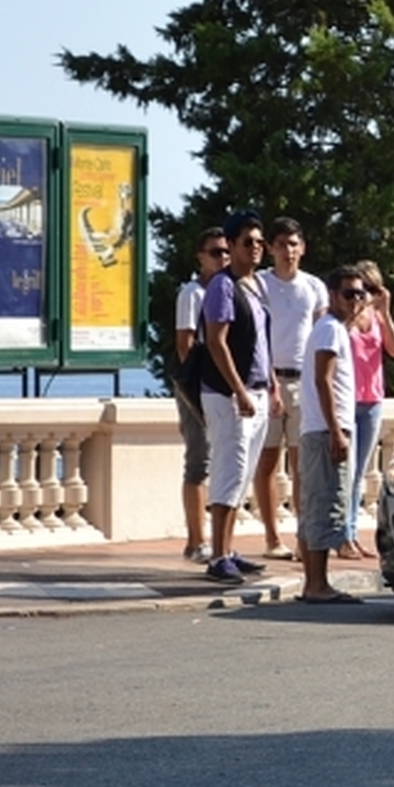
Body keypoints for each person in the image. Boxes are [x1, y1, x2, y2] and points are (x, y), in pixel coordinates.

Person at [189, 212, 276, 584]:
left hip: (257, 391)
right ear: (232, 246)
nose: (255, 248)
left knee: (243, 472)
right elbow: (216, 341)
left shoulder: (255, 285)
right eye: (247, 242)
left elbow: (261, 339)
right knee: (230, 469)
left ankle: (229, 548)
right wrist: (239, 388)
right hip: (228, 396)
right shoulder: (223, 287)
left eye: (259, 242)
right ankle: (218, 555)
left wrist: (269, 383)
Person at [251, 217, 329, 560]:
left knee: (302, 466)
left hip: (304, 381)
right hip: (268, 381)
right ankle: (271, 538)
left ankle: (303, 538)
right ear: (271, 248)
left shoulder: (314, 287)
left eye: (294, 244)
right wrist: (268, 384)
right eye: (281, 244)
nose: (288, 251)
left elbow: (323, 335)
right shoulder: (259, 284)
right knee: (266, 461)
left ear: (303, 247)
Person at [294, 272, 362, 603]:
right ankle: (317, 583)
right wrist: (336, 429)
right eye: (349, 294)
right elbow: (324, 380)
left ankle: (314, 581)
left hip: (320, 428)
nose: (356, 301)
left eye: (361, 295)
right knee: (325, 503)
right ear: (333, 294)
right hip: (325, 431)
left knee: (316, 504)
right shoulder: (330, 330)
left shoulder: (333, 330)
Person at [169, 227, 229, 561]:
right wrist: (195, 391)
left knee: (221, 461)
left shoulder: (230, 290)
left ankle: (217, 540)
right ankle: (196, 540)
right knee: (199, 460)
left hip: (221, 387)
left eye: (224, 251)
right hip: (198, 388)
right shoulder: (193, 293)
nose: (221, 257)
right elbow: (184, 344)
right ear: (200, 257)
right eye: (214, 252)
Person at [342, 259, 394, 558]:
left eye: (371, 288)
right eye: (361, 288)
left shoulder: (379, 319)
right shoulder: (346, 318)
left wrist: (385, 311)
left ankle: (351, 533)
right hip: (346, 399)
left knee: (360, 472)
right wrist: (355, 311)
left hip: (371, 401)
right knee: (346, 470)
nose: (365, 295)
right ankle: (342, 535)